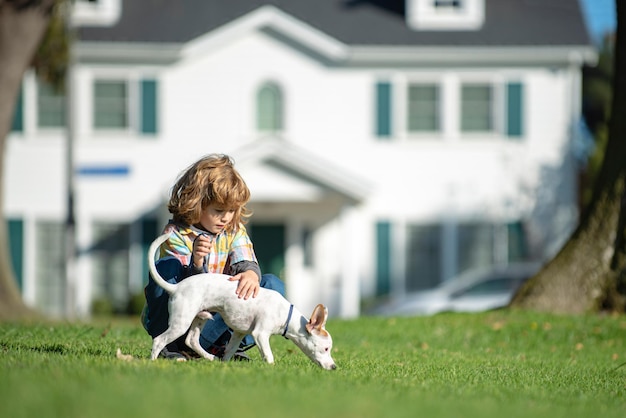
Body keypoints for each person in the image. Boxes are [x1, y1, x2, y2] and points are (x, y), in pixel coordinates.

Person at [141, 154, 285, 361]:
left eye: (231, 210)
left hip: (215, 323)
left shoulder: (234, 230)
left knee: (271, 285)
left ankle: (226, 347)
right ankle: (170, 347)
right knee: (166, 267)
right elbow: (183, 290)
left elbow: (245, 260)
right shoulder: (176, 234)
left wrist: (250, 275)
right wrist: (197, 262)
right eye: (218, 210)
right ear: (196, 204)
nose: (225, 217)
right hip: (181, 319)